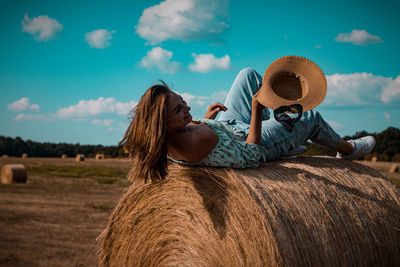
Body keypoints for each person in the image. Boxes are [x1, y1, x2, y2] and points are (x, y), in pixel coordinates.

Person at [120, 64, 375, 183]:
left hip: (227, 127)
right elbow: (251, 156)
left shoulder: (168, 137)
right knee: (309, 117)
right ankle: (346, 149)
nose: (187, 107)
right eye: (179, 109)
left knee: (248, 75)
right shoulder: (199, 140)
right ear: (162, 123)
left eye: (183, 101)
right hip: (252, 141)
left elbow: (197, 137)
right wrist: (255, 111)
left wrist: (207, 119)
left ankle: (285, 133)